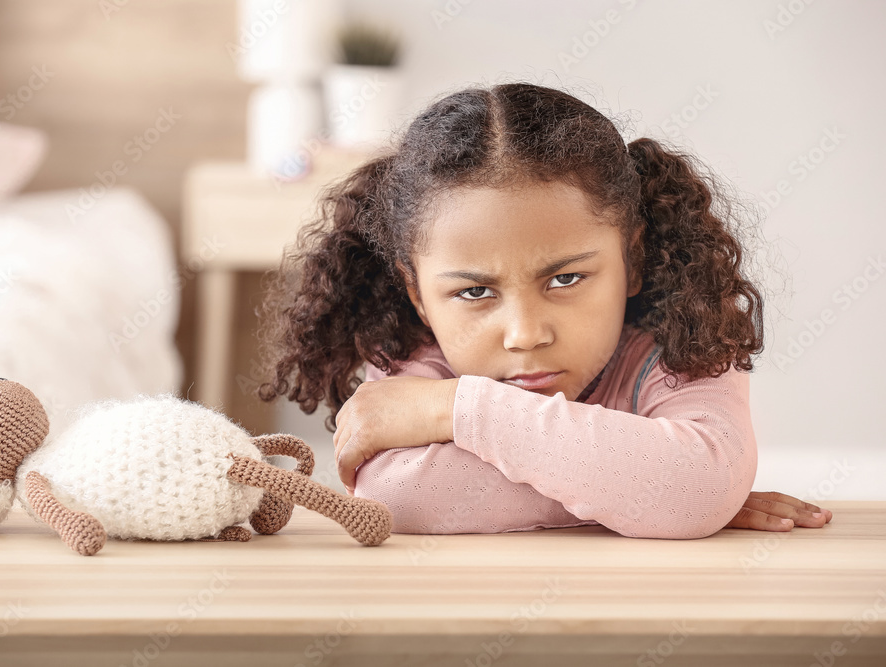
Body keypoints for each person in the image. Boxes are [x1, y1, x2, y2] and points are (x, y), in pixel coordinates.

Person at [254, 82, 832, 539]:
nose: (525, 334)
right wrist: (649, 494)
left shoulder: (682, 341)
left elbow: (696, 487)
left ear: (632, 258)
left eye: (565, 278)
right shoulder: (415, 353)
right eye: (475, 293)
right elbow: (398, 495)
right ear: (415, 293)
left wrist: (456, 409)